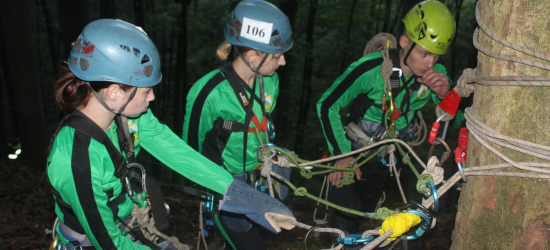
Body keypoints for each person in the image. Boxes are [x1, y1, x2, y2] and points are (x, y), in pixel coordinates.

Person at [47, 19, 295, 250]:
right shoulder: (76, 157)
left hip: (130, 226)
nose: (152, 98)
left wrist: (246, 197)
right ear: (113, 92)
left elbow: (182, 155)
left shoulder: (127, 117)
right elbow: (108, 243)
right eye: (146, 92)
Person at [316, 0, 456, 244]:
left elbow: (456, 118)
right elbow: (327, 105)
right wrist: (342, 155)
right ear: (404, 43)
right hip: (352, 149)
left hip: (387, 158)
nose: (430, 63)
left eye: (436, 55)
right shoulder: (371, 69)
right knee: (345, 221)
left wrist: (446, 94)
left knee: (385, 220)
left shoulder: (437, 74)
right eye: (424, 53)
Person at [182, 0, 293, 249]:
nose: (283, 62)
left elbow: (262, 127)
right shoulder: (208, 92)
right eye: (277, 56)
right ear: (252, 55)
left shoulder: (271, 81)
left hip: (261, 178)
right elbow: (190, 147)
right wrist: (207, 185)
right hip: (226, 186)